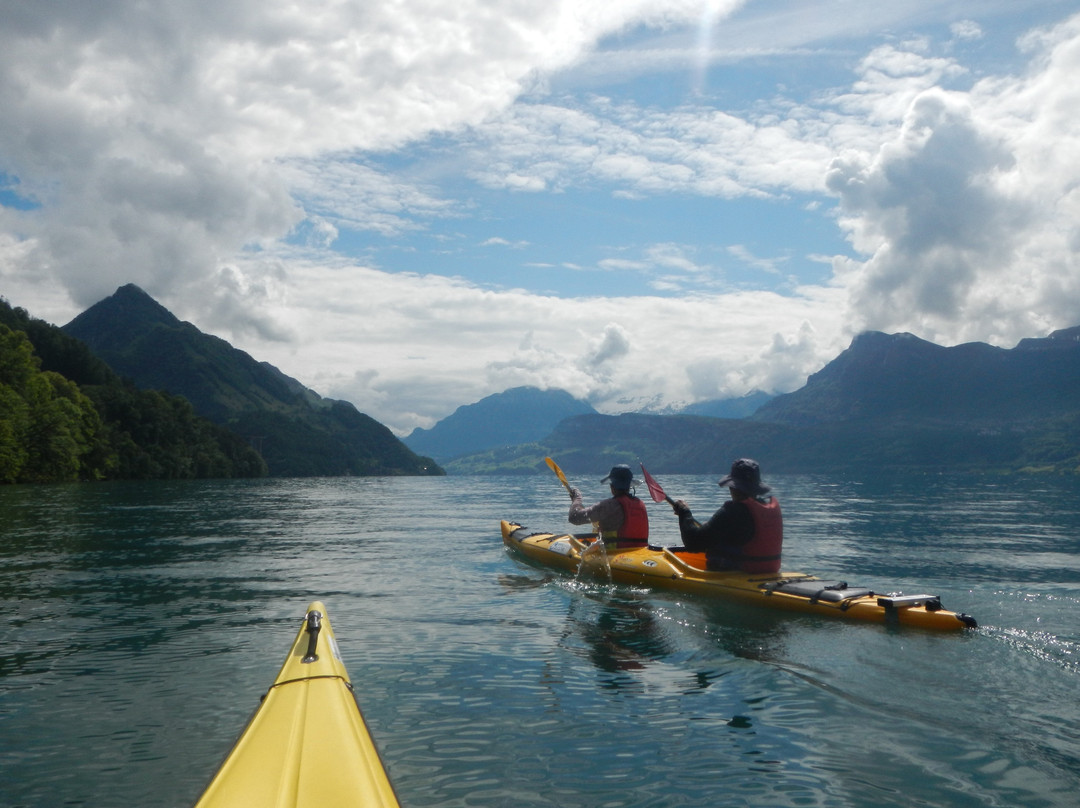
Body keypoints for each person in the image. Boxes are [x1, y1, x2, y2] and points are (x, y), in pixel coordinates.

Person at [672, 458, 782, 573]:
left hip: (738, 574)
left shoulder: (732, 511)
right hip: (770, 571)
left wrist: (684, 512)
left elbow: (693, 543)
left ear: (733, 486)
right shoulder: (767, 507)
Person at [568, 464, 650, 549]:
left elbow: (574, 517)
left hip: (614, 554)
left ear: (612, 486)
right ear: (629, 486)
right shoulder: (640, 504)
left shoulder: (609, 506)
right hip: (639, 553)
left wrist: (577, 499)